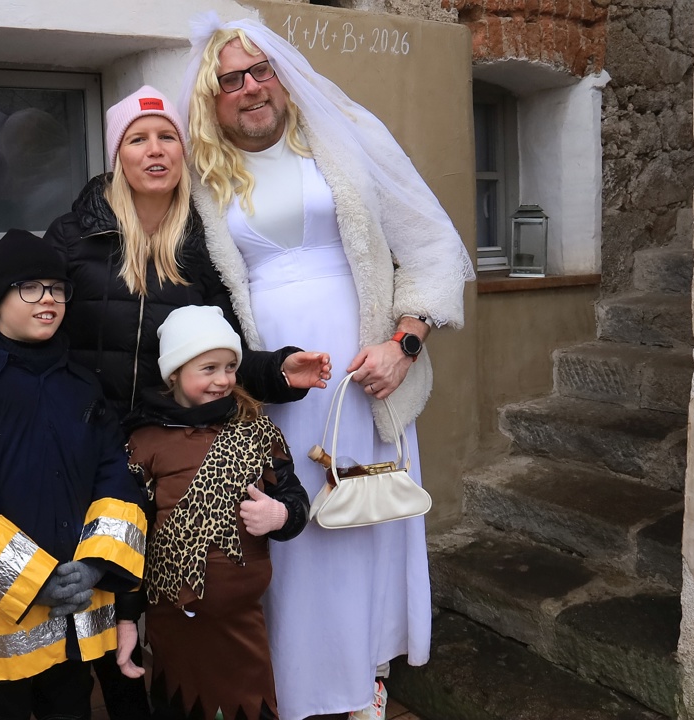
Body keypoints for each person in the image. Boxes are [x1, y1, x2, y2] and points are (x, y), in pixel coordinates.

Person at [0, 86, 332, 719]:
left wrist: (276, 369)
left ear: (183, 151)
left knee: (146, 610)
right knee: (101, 627)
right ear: (118, 154)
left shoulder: (204, 239)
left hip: (162, 440)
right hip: (86, 431)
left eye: (167, 137)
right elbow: (25, 302)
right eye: (138, 139)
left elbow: (221, 347)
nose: (155, 150)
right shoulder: (75, 232)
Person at [176, 14, 475, 720]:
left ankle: (366, 682)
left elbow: (433, 247)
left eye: (261, 71)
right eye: (231, 80)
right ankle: (300, 687)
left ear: (283, 77)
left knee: (362, 518)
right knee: (292, 531)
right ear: (212, 99)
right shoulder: (202, 176)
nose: (251, 88)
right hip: (271, 390)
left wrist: (403, 346)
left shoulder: (346, 138)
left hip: (364, 379)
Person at [0, 229, 147, 720]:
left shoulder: (82, 387)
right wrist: (34, 580)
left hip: (74, 617)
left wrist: (96, 565)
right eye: (29, 287)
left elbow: (116, 481)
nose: (48, 298)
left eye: (57, 288)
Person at [120, 305, 310, 720]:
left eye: (230, 367)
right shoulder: (144, 441)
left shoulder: (257, 433)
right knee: (178, 704)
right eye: (208, 368)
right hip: (172, 620)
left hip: (241, 621)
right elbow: (129, 540)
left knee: (250, 706)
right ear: (174, 373)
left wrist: (280, 516)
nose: (223, 379)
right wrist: (127, 618)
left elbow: (297, 500)